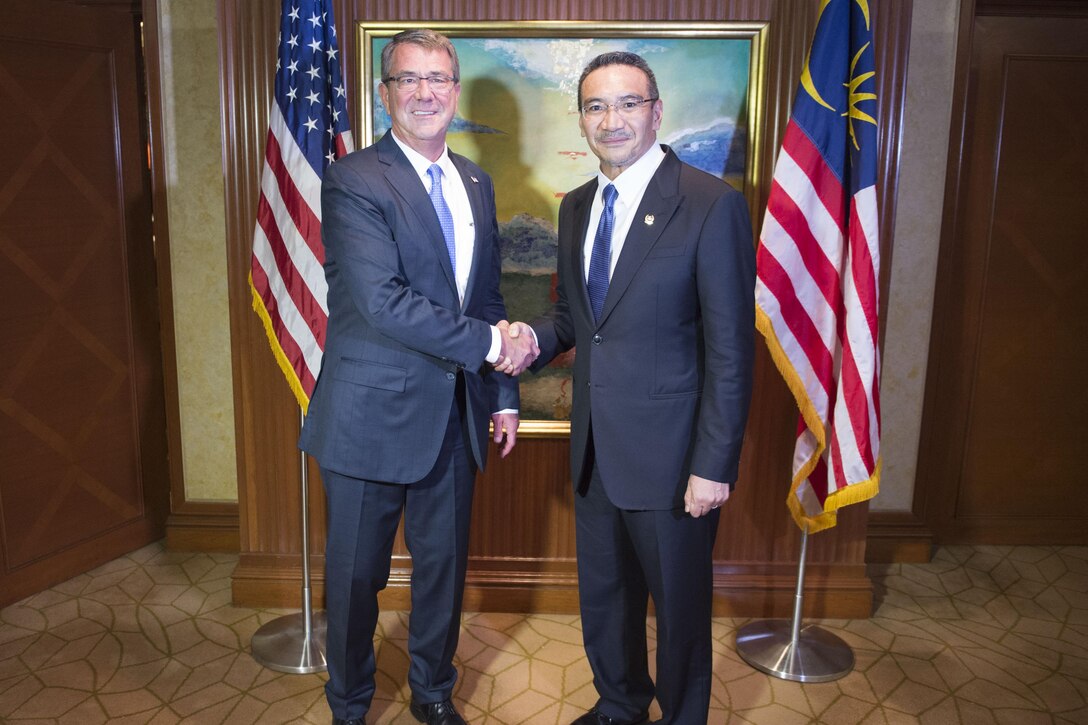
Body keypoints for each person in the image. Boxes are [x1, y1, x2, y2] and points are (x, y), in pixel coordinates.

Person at [298, 29, 536, 725]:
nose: (426, 92)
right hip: (367, 418)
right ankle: (349, 702)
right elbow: (383, 302)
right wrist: (495, 344)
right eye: (409, 79)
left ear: (455, 92)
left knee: (442, 573)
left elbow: (487, 296)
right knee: (355, 577)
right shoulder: (353, 179)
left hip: (454, 417)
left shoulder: (476, 183)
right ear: (385, 93)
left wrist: (505, 395)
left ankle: (433, 692)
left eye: (439, 79)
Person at [524, 51, 755, 724]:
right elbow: (576, 320)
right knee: (606, 598)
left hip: (674, 462)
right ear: (583, 119)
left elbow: (730, 350)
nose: (612, 119)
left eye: (628, 103)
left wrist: (713, 465)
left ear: (656, 111)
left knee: (679, 613)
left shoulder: (711, 206)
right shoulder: (575, 207)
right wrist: (520, 342)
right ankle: (619, 704)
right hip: (595, 449)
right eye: (596, 106)